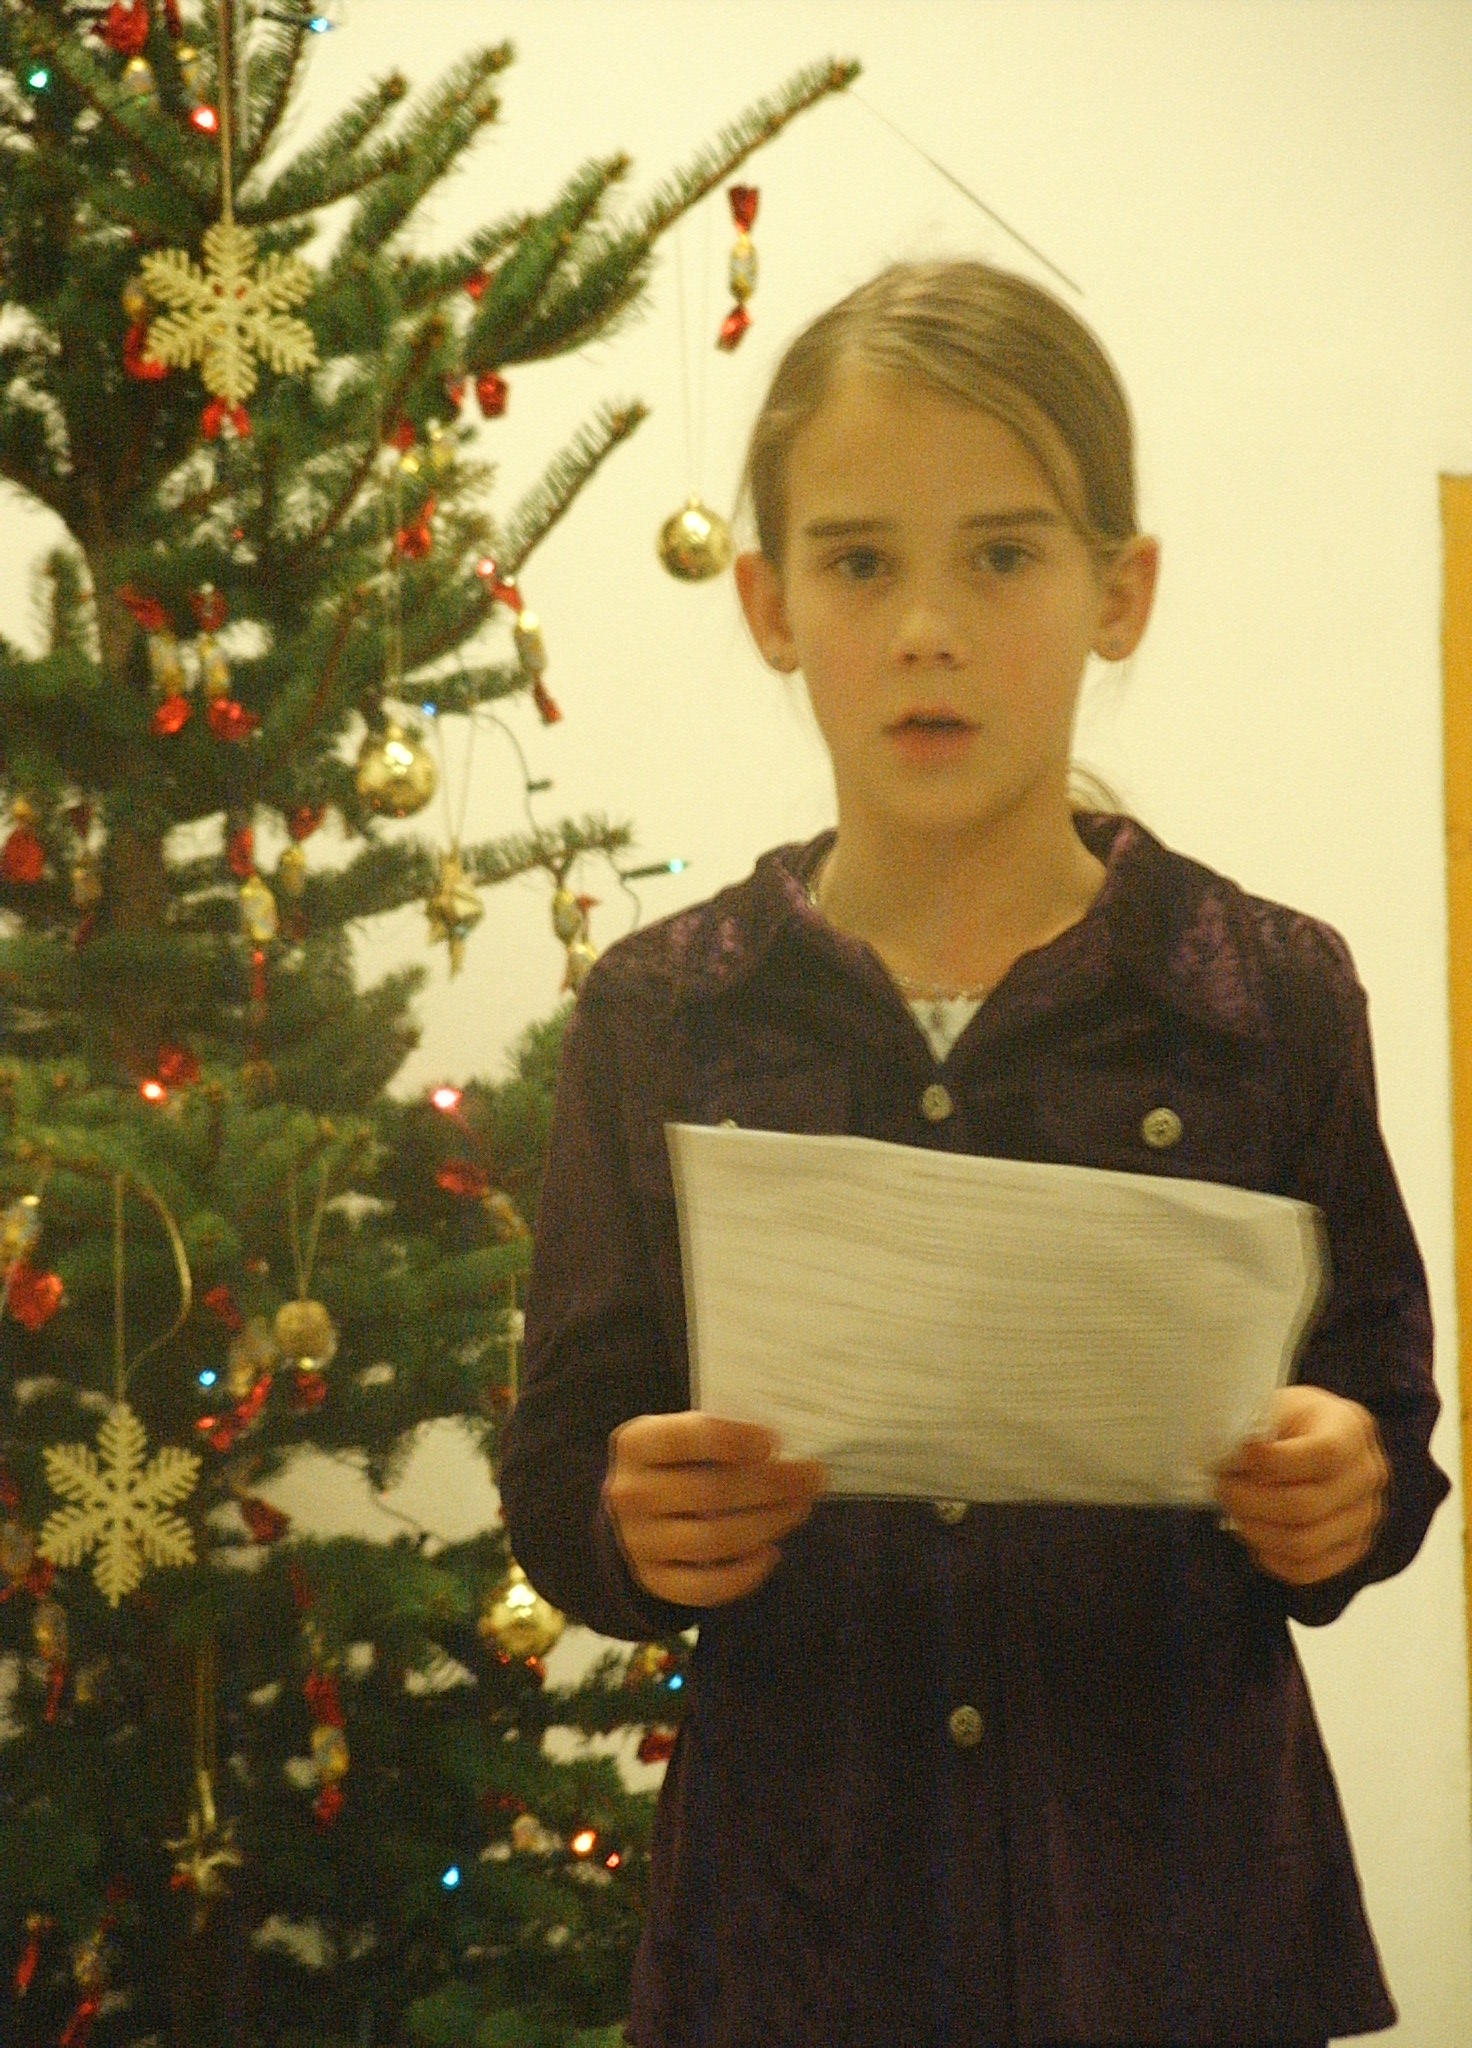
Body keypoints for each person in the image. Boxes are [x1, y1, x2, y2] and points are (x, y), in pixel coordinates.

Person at [497, 260, 1448, 2048]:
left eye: (1003, 555)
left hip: (1175, 1929)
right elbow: (561, 1463)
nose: (928, 626)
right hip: (798, 1936)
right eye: (861, 563)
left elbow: (1381, 1410)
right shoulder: (664, 1013)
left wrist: (1351, 1484)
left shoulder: (1269, 997)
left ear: (1119, 590)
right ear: (773, 605)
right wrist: (630, 1522)